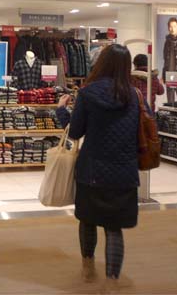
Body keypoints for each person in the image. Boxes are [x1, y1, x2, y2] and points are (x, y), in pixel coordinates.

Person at [56, 44, 145, 291]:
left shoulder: (88, 93)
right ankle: (112, 281)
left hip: (92, 170)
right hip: (124, 172)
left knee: (88, 220)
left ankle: (88, 268)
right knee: (114, 228)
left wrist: (61, 110)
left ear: (101, 63)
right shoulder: (135, 96)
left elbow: (75, 132)